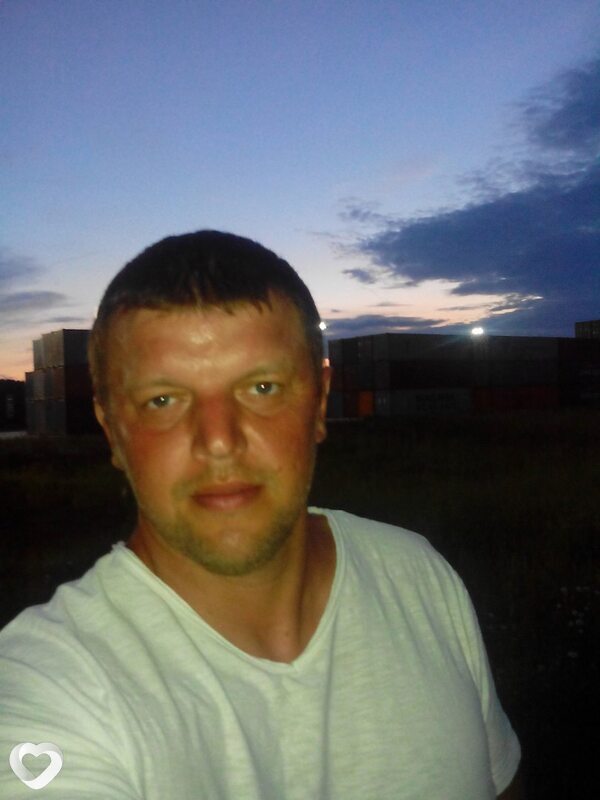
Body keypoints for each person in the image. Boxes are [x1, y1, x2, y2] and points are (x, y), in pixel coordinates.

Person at [0, 230, 522, 798]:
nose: (219, 441)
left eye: (262, 387)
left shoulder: (417, 577)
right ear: (113, 432)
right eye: (163, 400)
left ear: (319, 403)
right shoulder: (47, 687)